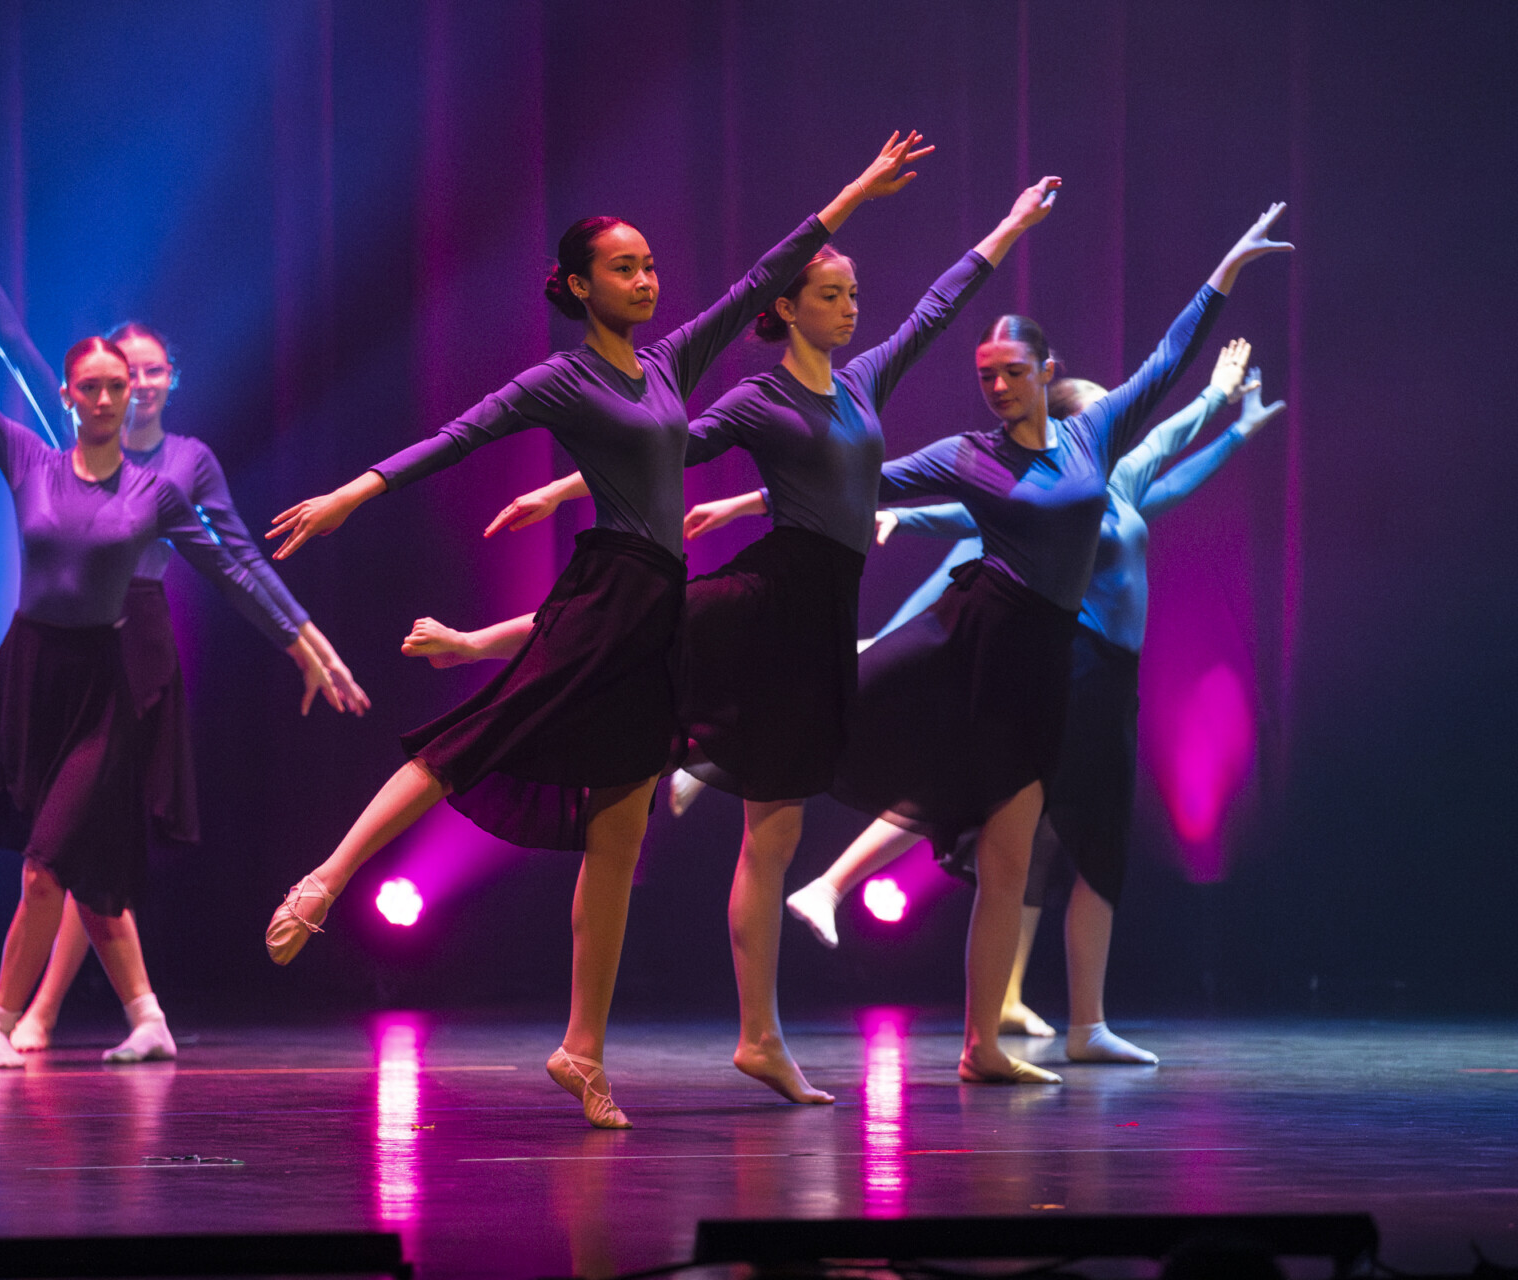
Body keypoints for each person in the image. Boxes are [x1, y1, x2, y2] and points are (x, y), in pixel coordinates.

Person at [262, 131, 933, 1127]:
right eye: (624, 268)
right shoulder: (562, 381)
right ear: (579, 286)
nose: (645, 280)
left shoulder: (671, 362)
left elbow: (763, 277)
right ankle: (325, 879)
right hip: (609, 584)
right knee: (474, 738)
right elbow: (458, 437)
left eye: (650, 265)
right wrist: (353, 493)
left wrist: (856, 193)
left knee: (618, 836)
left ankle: (582, 1050)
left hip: (659, 602)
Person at [408, 178, 1063, 1105]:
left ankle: (761, 1040)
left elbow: (935, 308)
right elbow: (662, 441)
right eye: (830, 294)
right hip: (772, 594)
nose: (851, 308)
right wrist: (561, 489)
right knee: (627, 628)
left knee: (776, 832)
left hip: (823, 618)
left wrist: (1009, 225)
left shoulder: (865, 379)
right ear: (787, 307)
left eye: (853, 294)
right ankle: (483, 646)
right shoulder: (759, 396)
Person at [684, 203, 1290, 1083]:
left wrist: (1224, 271)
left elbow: (1168, 362)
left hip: (1049, 665)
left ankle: (982, 1048)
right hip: (982, 638)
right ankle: (718, 754)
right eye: (985, 375)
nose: (997, 387)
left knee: (1009, 866)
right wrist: (748, 502)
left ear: (1047, 373)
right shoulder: (967, 454)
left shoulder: (1095, 435)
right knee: (857, 708)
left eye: (1011, 373)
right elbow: (863, 482)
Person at [0, 246, 340, 1069]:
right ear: (66, 395)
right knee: (78, 864)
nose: (104, 398)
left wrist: (299, 641)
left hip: (101, 686)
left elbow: (229, 568)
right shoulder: (29, 458)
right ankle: (146, 1017)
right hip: (30, 678)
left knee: (46, 867)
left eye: (116, 386)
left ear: (132, 395)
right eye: (89, 387)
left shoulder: (157, 491)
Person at [784, 350, 1285, 1065]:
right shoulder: (1056, 502)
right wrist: (902, 518)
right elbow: (964, 514)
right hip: (1072, 668)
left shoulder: (1119, 488)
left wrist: (1234, 427)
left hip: (1110, 680)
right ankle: (840, 890)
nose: (1120, 431)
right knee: (988, 804)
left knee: (1050, 837)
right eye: (1105, 421)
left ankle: (1062, 1017)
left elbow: (1169, 467)